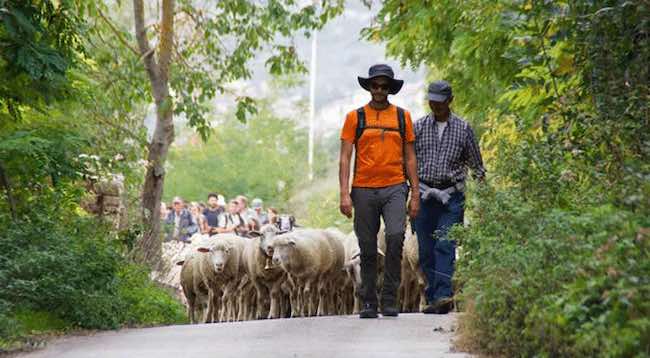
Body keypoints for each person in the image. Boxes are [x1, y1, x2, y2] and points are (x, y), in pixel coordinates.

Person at [338, 64, 419, 318]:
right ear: (369, 87)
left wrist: (415, 193)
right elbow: (345, 158)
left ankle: (389, 297)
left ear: (390, 89)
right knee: (368, 247)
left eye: (384, 86)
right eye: (375, 85)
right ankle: (369, 300)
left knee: (395, 237)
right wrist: (343, 194)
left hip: (395, 186)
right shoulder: (355, 117)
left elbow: (410, 158)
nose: (379, 90)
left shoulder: (402, 117)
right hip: (363, 189)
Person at [413, 80, 486, 314]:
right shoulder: (418, 127)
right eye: (432, 101)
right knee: (425, 249)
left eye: (440, 101)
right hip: (424, 195)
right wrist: (410, 193)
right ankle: (433, 296)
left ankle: (444, 295)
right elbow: (408, 163)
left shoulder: (463, 129)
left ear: (450, 101)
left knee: (445, 244)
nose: (436, 106)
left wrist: (485, 197)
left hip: (451, 197)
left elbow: (477, 165)